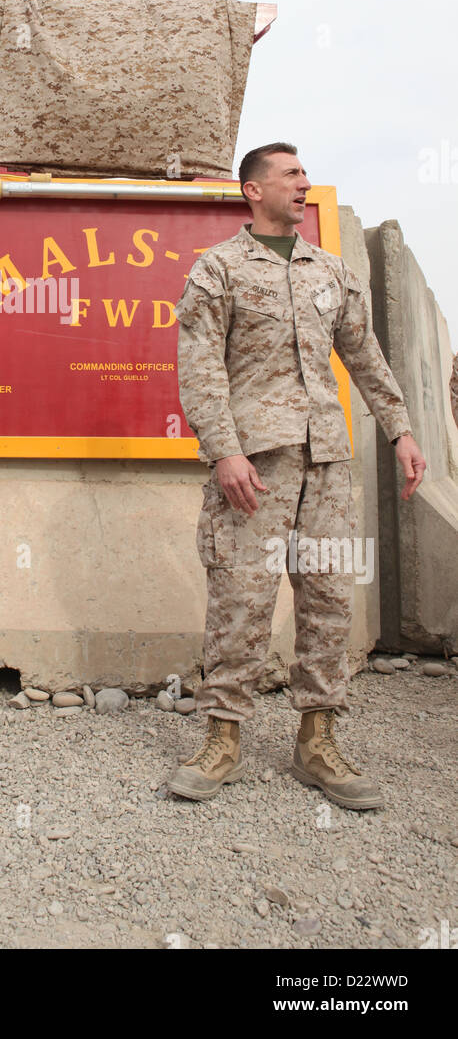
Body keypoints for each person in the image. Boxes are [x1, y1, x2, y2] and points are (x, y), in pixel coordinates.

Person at [167, 144, 426, 809]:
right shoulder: (218, 269)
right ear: (253, 190)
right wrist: (224, 450)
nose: (304, 184)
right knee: (242, 599)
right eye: (290, 175)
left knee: (329, 601)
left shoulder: (330, 272)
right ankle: (223, 739)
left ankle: (318, 744)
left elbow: (363, 356)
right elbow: (201, 369)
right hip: (255, 466)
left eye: (306, 174)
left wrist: (399, 431)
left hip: (328, 466)